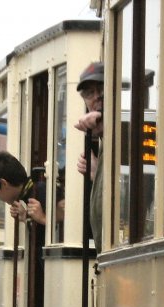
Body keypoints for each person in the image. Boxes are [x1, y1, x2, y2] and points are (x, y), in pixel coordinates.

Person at [74, 61, 105, 253]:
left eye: (101, 89)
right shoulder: (103, 143)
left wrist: (103, 119)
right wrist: (96, 173)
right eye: (89, 93)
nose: (97, 97)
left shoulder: (123, 131)